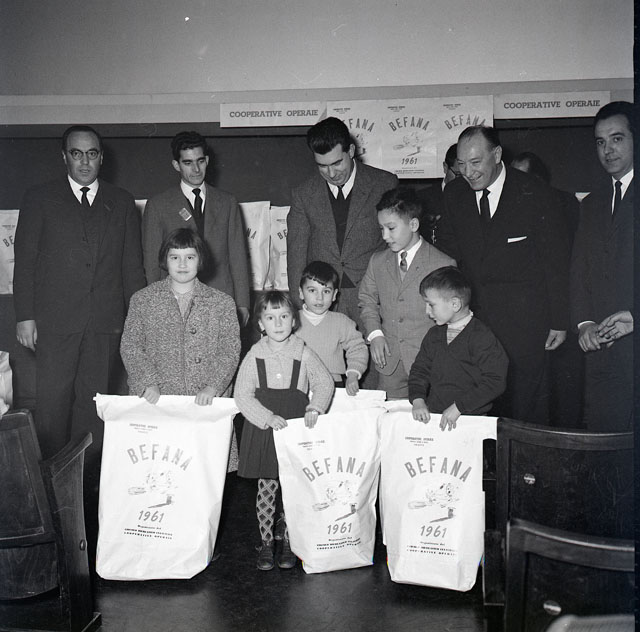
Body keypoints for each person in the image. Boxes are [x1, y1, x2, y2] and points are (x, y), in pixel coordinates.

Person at [13, 125, 146, 461]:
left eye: (91, 154)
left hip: (105, 323)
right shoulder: (39, 198)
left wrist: (139, 321)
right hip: (55, 322)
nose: (84, 162)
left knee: (94, 402)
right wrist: (25, 316)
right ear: (64, 157)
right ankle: (52, 477)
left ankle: (89, 479)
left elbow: (132, 268)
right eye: (76, 153)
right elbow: (25, 262)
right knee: (52, 404)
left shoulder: (121, 201)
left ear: (102, 158)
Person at [437, 126, 570, 424]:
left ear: (497, 155)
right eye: (462, 164)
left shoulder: (535, 193)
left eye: (475, 162)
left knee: (526, 408)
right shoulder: (455, 194)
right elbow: (449, 253)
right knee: (479, 406)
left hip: (526, 325)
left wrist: (560, 320)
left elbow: (556, 263)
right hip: (475, 322)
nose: (468, 172)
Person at [234, 291, 334, 571]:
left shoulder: (303, 352)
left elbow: (324, 383)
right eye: (270, 317)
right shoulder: (254, 356)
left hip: (295, 428)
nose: (277, 323)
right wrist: (266, 417)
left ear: (293, 321)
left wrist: (315, 407)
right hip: (265, 429)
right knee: (267, 485)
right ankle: (267, 543)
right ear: (260, 324)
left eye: (283, 316)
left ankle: (290, 541)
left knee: (294, 487)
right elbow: (242, 395)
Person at [286, 117, 398, 326]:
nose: (331, 173)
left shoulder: (384, 184)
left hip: (373, 296)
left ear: (351, 151)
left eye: (337, 163)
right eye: (322, 166)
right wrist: (298, 307)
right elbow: (296, 255)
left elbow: (395, 246)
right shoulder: (303, 194)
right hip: (322, 301)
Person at [120, 228, 240, 405]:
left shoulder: (222, 303)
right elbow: (131, 346)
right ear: (165, 259)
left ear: (200, 259)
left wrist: (212, 386)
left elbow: (229, 350)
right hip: (155, 399)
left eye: (190, 257)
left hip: (207, 401)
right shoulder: (143, 300)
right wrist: (148, 382)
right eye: (175, 257)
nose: (182, 264)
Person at [142, 131, 250, 326]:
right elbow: (152, 264)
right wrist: (156, 304)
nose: (196, 169)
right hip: (175, 302)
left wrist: (242, 303)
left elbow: (238, 256)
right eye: (188, 163)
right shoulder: (158, 205)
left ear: (207, 160)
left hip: (220, 299)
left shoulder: (227, 202)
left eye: (200, 161)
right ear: (176, 165)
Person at [570, 101, 634, 431]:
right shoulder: (592, 203)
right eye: (600, 142)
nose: (608, 150)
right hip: (600, 353)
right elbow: (579, 270)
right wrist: (584, 324)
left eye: (617, 139)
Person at [358, 188, 455, 399]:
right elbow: (367, 299)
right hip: (389, 364)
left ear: (413, 224)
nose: (384, 236)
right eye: (381, 228)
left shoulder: (443, 264)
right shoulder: (377, 261)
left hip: (430, 366)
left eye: (391, 228)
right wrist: (375, 334)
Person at [510, 150, 583, 428]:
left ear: (539, 180)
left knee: (564, 390)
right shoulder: (510, 205)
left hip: (561, 311)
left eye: (521, 176)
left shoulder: (564, 203)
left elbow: (565, 263)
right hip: (526, 315)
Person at [409, 266, 508, 431]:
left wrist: (459, 407)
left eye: (431, 305)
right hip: (435, 418)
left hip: (471, 421)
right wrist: (418, 399)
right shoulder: (433, 335)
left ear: (455, 304)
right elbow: (419, 370)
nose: (427, 311)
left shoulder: (482, 337)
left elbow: (495, 381)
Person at [296, 261, 368, 395]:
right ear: (301, 293)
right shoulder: (291, 321)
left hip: (334, 384)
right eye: (312, 290)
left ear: (334, 295)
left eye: (326, 291)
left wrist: (353, 374)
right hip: (299, 385)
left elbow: (357, 348)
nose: (319, 298)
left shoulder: (342, 322)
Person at [419, 143, 460, 244]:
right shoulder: (422, 198)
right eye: (458, 174)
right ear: (445, 167)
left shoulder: (476, 197)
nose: (463, 180)